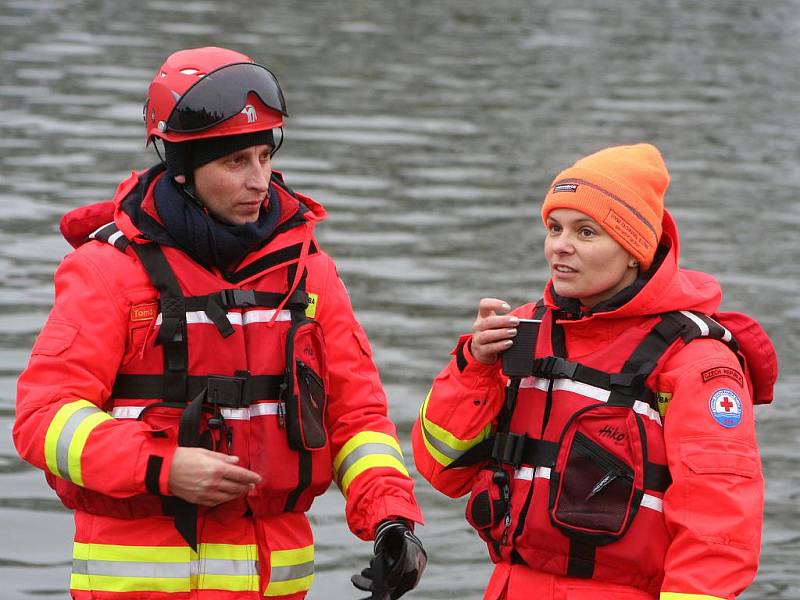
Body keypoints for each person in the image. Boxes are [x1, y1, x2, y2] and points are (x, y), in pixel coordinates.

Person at [14, 46, 426, 600]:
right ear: (182, 169)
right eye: (236, 163)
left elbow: (357, 418)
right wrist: (161, 465)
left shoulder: (309, 274)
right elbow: (42, 419)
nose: (261, 181)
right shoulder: (106, 272)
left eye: (263, 156)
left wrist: (390, 518)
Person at [412, 143, 777, 600]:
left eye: (586, 233)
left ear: (633, 252)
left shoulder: (696, 362)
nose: (560, 245)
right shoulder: (523, 330)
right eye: (554, 227)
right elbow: (441, 470)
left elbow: (720, 525)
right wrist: (474, 367)